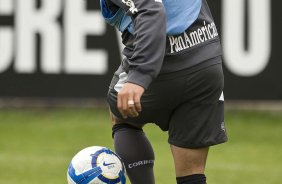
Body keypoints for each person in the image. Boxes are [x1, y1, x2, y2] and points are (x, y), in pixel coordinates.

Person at [99, 0, 228, 183]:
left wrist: (139, 77)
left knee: (121, 114)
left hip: (164, 60)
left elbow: (150, 9)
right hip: (206, 57)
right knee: (192, 171)